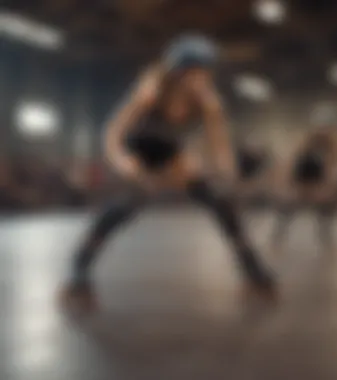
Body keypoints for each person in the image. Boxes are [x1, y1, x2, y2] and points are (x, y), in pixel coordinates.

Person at [61, 35, 275, 310]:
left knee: (220, 202)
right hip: (138, 147)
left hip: (171, 152)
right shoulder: (150, 91)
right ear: (176, 72)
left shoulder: (209, 102)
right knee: (124, 208)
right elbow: (114, 132)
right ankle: (78, 272)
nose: (200, 80)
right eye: (193, 73)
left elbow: (220, 145)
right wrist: (122, 161)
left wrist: (229, 175)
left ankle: (253, 270)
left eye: (204, 73)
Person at [272, 106, 337, 251]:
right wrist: (286, 185)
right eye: (322, 128)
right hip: (300, 180)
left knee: (327, 205)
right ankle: (278, 236)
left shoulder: (331, 146)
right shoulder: (305, 142)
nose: (325, 132)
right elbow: (291, 163)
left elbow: (331, 168)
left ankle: (326, 236)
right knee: (287, 207)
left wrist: (327, 187)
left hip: (316, 181)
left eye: (328, 129)